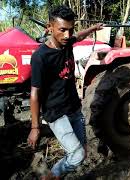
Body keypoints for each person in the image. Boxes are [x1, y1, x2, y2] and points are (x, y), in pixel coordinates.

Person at [27, 5, 103, 179]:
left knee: (81, 152)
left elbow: (79, 35)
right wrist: (35, 126)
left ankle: (56, 176)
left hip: (74, 108)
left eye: (71, 29)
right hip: (56, 113)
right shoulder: (40, 57)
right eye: (62, 30)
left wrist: (93, 28)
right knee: (77, 155)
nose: (67, 35)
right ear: (50, 27)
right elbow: (34, 93)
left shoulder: (67, 42)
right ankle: (51, 177)